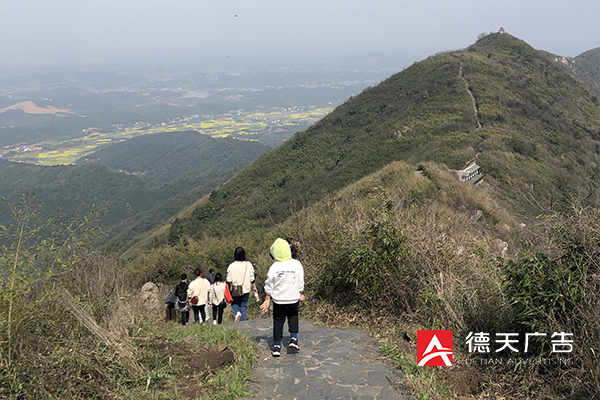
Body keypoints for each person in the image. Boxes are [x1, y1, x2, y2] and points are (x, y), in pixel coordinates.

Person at [260, 238, 305, 357]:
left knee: (278, 321)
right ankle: (293, 338)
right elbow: (300, 280)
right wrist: (300, 292)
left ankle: (277, 346)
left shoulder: (274, 267)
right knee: (293, 317)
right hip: (293, 298)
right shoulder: (296, 264)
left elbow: (269, 284)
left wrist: (267, 298)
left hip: (279, 300)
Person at [227, 246, 255, 322]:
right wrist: (254, 286)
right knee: (243, 306)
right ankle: (243, 323)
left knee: (234, 304)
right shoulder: (248, 264)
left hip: (235, 290)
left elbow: (228, 280)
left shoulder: (231, 266)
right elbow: (252, 278)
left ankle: (237, 312)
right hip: (246, 289)